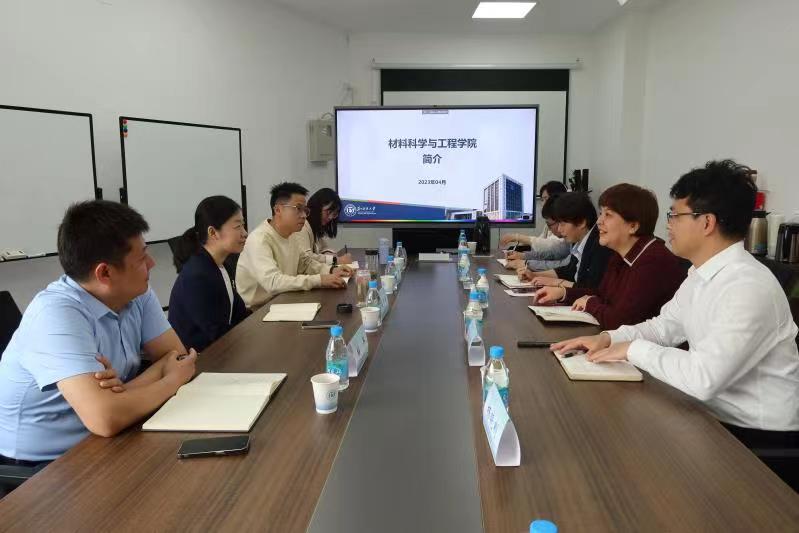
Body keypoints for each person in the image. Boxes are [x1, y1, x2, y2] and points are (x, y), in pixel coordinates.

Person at [553, 161, 799, 488]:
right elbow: (663, 327)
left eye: (675, 215)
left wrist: (633, 348)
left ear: (707, 222)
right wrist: (610, 338)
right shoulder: (700, 274)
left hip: (755, 442)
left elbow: (704, 378)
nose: (668, 225)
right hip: (711, 417)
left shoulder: (747, 286)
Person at [0, 200, 196, 466]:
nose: (151, 264)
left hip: (104, 438)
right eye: (141, 258)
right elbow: (105, 419)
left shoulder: (137, 291)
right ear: (104, 272)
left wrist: (122, 393)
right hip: (42, 464)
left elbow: (176, 357)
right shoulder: (55, 313)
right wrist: (171, 381)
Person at [535, 184, 686, 329]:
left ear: (633, 226)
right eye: (601, 213)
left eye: (608, 215)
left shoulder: (652, 261)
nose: (599, 221)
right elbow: (602, 294)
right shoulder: (620, 254)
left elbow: (619, 321)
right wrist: (563, 293)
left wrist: (590, 303)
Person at [235, 182, 352, 309]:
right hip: (257, 310)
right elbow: (273, 282)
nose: (304, 215)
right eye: (298, 209)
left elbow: (305, 264)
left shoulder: (292, 235)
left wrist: (331, 270)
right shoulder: (259, 239)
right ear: (278, 210)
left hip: (282, 300)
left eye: (305, 210)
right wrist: (320, 280)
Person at [168, 196, 250, 352]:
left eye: (243, 225)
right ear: (213, 232)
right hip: (198, 358)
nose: (245, 233)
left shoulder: (223, 266)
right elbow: (215, 333)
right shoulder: (197, 275)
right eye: (237, 226)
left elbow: (238, 314)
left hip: (222, 350)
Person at [519, 192, 612, 290]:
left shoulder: (599, 245)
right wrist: (535, 275)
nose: (559, 229)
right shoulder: (579, 240)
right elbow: (569, 270)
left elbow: (590, 289)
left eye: (562, 224)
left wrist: (557, 284)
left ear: (581, 222)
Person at [500, 181, 571, 269]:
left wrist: (526, 262)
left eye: (546, 199)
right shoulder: (552, 224)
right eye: (542, 200)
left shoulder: (567, 233)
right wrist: (523, 256)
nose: (543, 204)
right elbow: (546, 252)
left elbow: (551, 248)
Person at [292, 187, 353, 266]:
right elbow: (307, 258)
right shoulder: (302, 227)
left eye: (334, 214)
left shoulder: (315, 227)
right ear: (317, 207)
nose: (330, 217)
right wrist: (335, 260)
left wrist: (328, 253)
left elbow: (324, 247)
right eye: (329, 212)